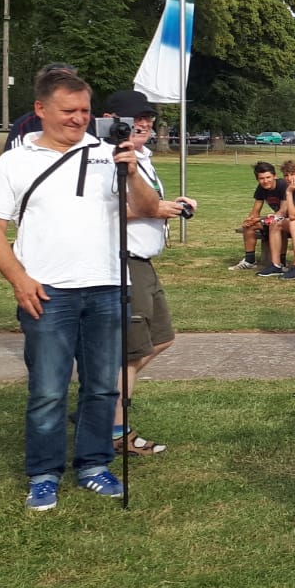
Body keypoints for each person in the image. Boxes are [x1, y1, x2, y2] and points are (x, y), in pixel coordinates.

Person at [0, 70, 157, 509]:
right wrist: (20, 279)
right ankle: (44, 474)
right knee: (48, 390)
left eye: (85, 111)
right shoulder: (14, 162)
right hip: (48, 291)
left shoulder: (109, 153)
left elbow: (148, 208)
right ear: (40, 109)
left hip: (108, 287)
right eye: (68, 111)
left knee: (103, 387)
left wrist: (132, 172)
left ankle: (94, 465)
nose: (78, 119)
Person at [104, 90, 194, 456]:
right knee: (131, 352)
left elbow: (144, 202)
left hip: (144, 261)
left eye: (148, 118)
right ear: (112, 120)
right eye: (135, 118)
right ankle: (114, 429)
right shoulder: (107, 157)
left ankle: (102, 399)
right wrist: (156, 209)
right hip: (124, 260)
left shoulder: (141, 157)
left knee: (162, 338)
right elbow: (104, 211)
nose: (144, 124)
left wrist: (171, 205)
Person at [231, 162, 289, 270]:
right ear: (257, 179)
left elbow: (282, 212)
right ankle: (249, 261)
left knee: (277, 225)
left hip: (292, 219)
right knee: (249, 226)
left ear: (275, 176)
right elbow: (255, 211)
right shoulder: (261, 188)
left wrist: (258, 219)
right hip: (277, 218)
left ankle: (281, 262)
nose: (265, 181)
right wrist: (250, 220)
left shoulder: (282, 186)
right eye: (261, 178)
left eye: (268, 177)